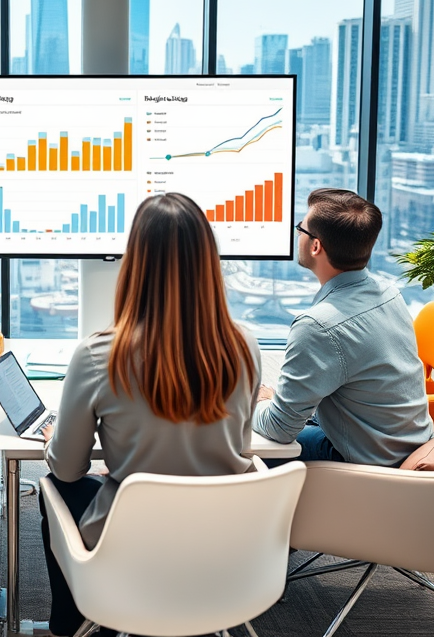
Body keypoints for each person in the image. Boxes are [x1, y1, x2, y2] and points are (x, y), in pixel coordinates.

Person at [40, 193, 261, 637]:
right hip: (224, 543)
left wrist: (62, 439)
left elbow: (67, 469)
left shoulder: (99, 353)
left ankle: (73, 624)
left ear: (134, 261)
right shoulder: (245, 346)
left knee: (54, 491)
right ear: (208, 261)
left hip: (132, 543)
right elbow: (237, 442)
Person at [253, 188, 434, 466]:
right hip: (400, 443)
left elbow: (280, 429)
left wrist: (254, 404)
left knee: (233, 439)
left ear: (316, 246)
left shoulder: (317, 327)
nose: (297, 234)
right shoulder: (389, 293)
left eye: (300, 228)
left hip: (361, 462)